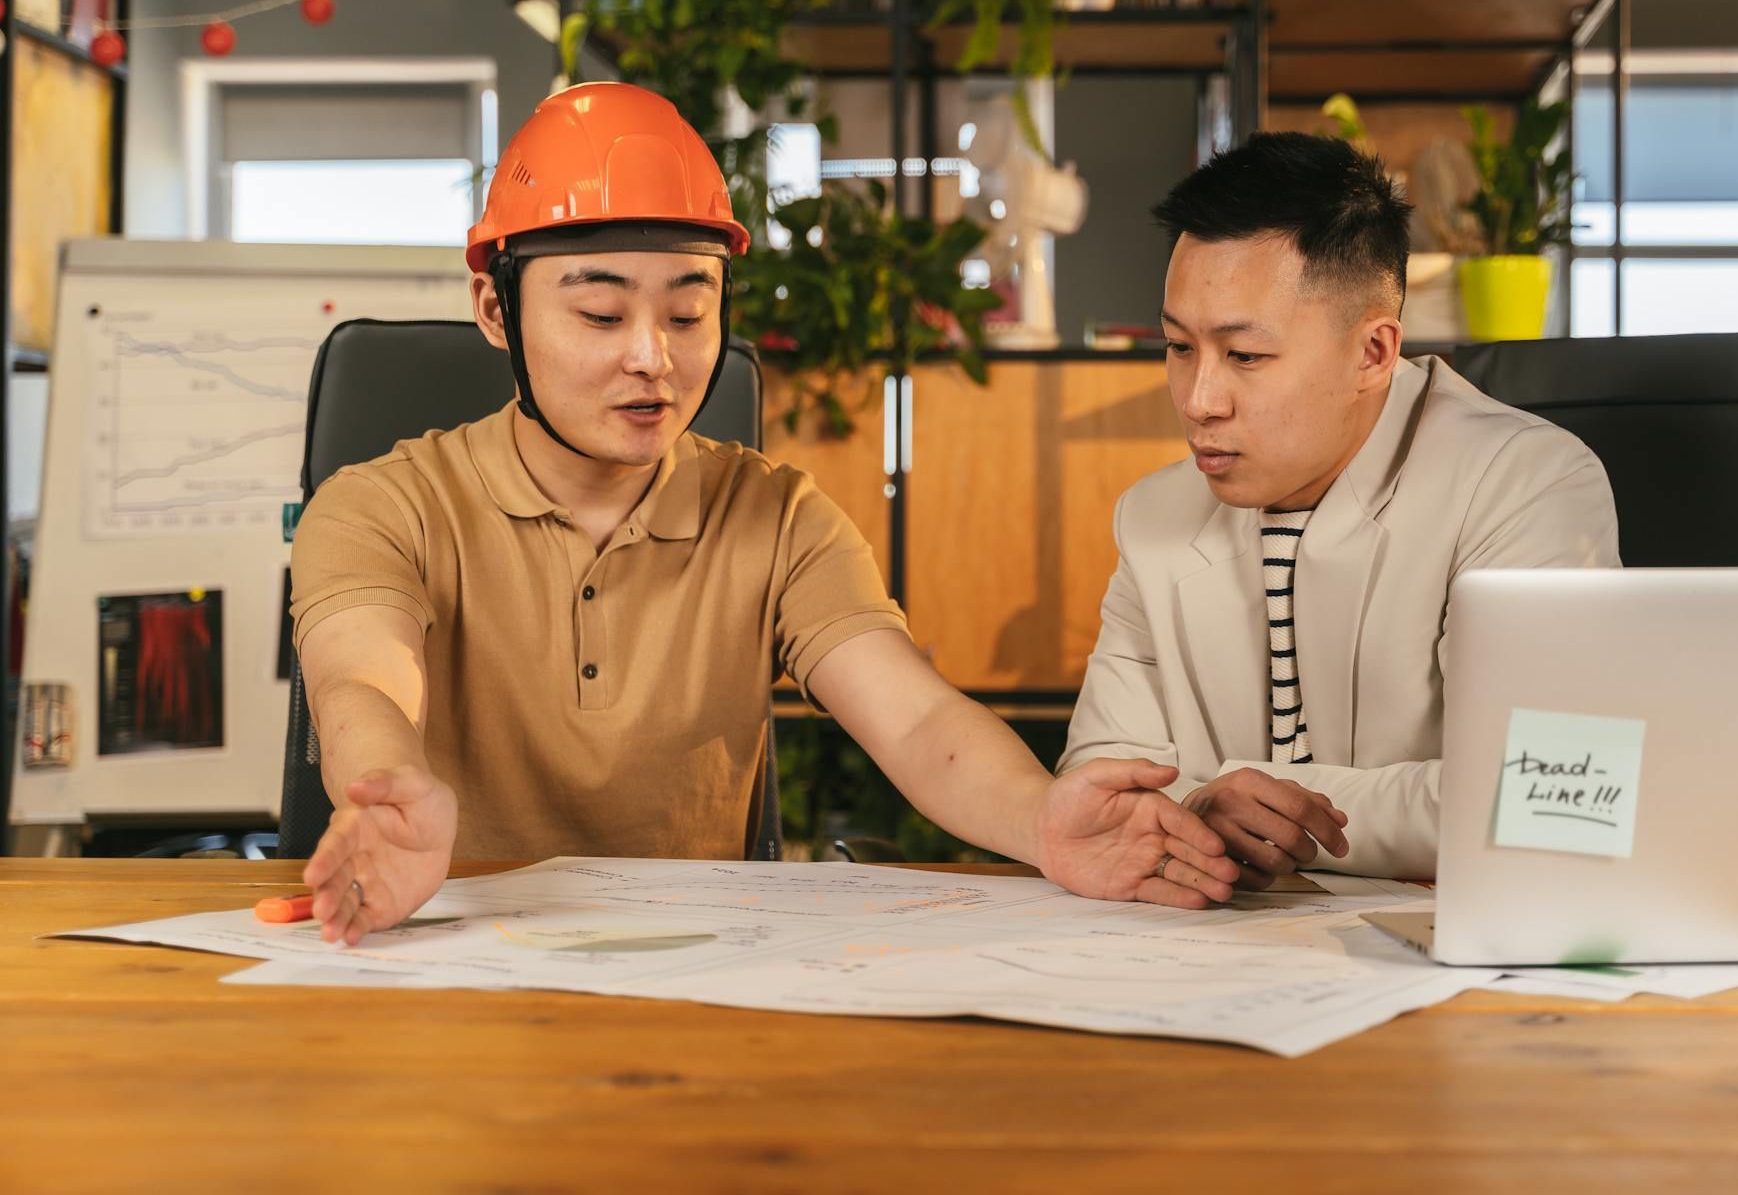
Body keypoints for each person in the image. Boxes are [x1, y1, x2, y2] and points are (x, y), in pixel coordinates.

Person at [293, 84, 1239, 945]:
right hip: (453, 961)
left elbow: (916, 724)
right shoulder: (382, 505)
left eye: (688, 312)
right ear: (496, 313)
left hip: (702, 974)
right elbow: (364, 686)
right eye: (600, 316)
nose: (652, 358)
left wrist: (1042, 818)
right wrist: (390, 791)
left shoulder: (777, 516)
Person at [1059, 131, 1620, 882]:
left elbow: (1550, 792)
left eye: (1245, 356)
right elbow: (1100, 783)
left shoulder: (1525, 483)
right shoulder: (1152, 516)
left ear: (1373, 354)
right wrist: (1203, 810)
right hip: (1211, 959)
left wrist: (1231, 806)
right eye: (1178, 347)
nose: (1198, 400)